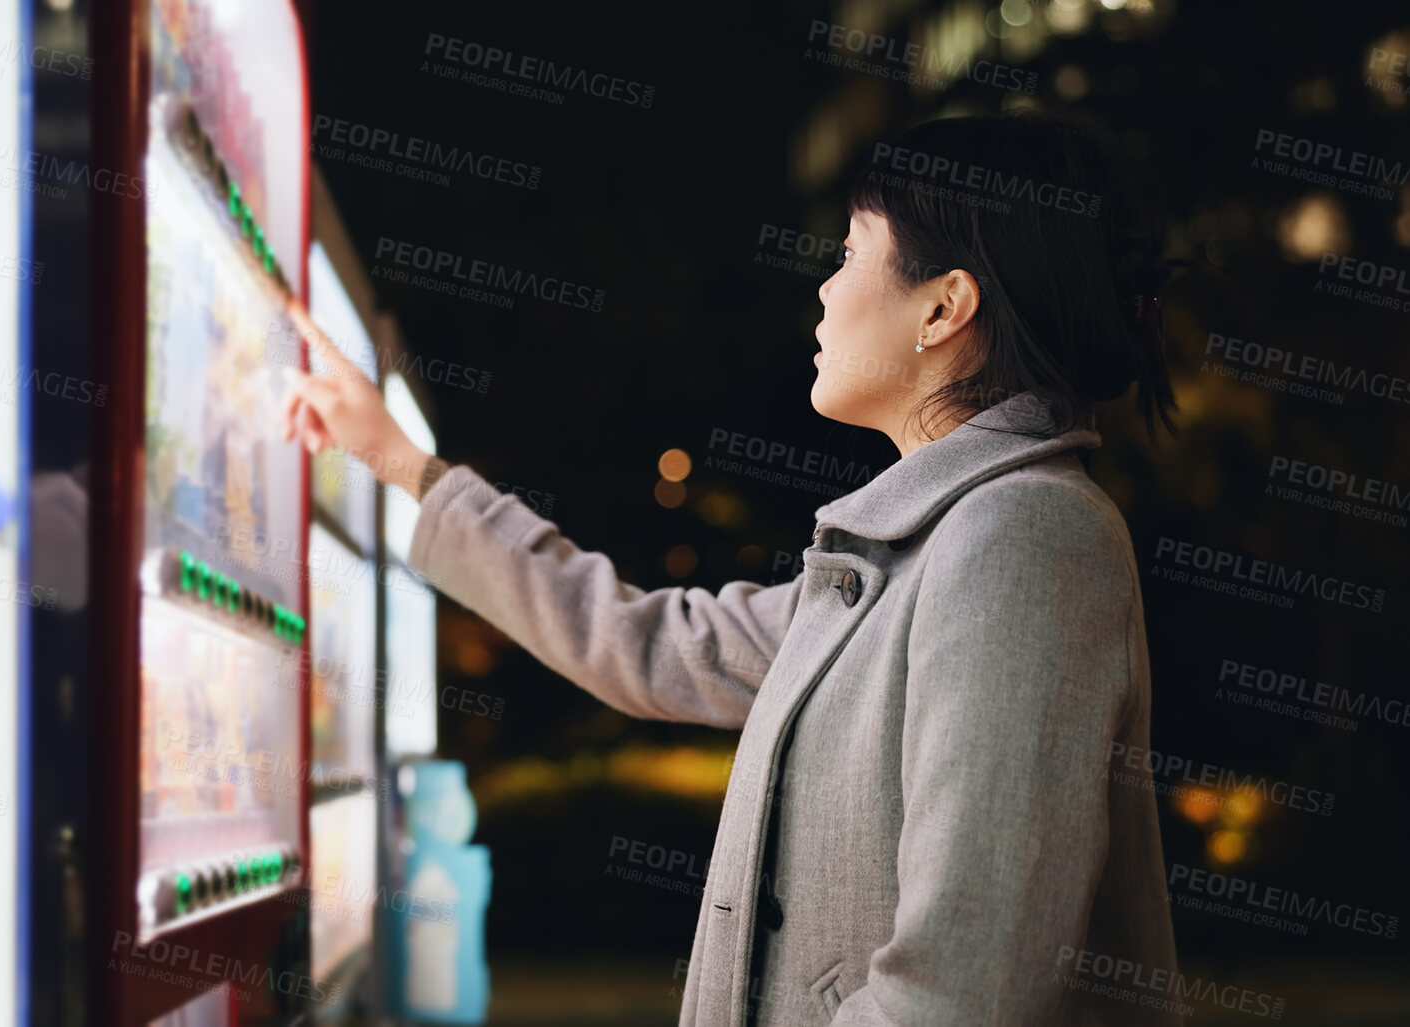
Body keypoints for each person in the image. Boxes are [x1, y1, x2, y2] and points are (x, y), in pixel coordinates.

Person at [281, 107, 1181, 1026]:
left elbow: (961, 992)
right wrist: (401, 464)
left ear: (943, 307)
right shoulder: (917, 550)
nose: (824, 292)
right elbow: (642, 643)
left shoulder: (1023, 535)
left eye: (847, 254)